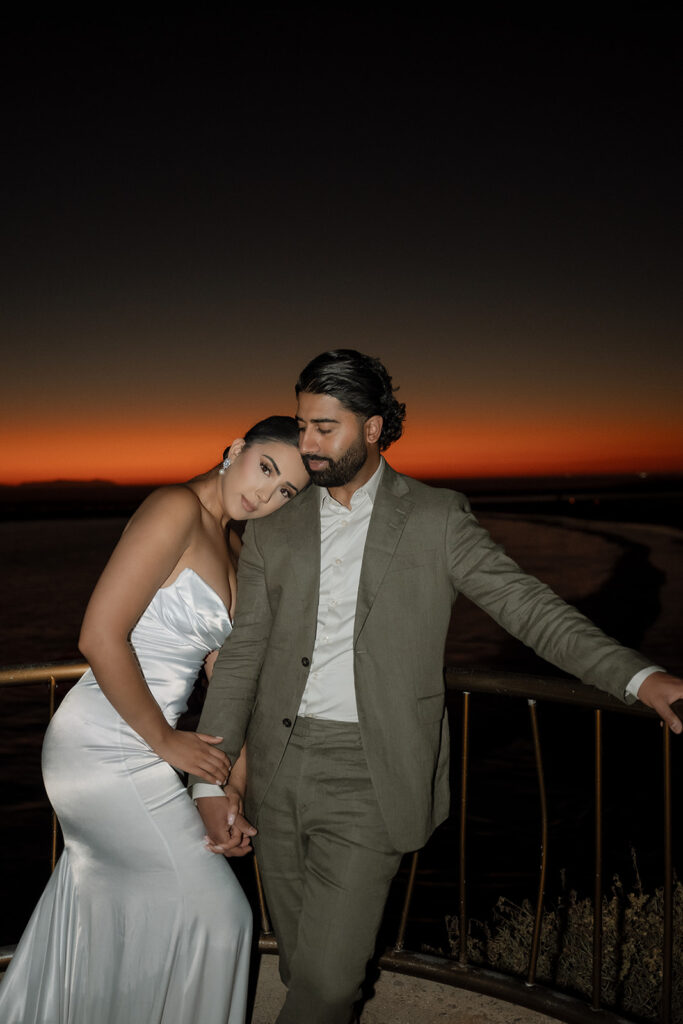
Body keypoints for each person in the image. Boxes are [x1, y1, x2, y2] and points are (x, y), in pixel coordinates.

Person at [194, 350, 683, 1024]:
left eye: (323, 428)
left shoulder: (434, 517)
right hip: (275, 769)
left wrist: (638, 676)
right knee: (301, 963)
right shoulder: (274, 522)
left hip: (372, 770)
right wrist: (212, 780)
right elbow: (243, 652)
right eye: (302, 426)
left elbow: (527, 607)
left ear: (371, 429)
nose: (305, 445)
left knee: (332, 981)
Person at [0, 416, 310, 1024]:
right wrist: (167, 740)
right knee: (224, 914)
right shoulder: (173, 507)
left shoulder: (238, 549)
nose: (265, 495)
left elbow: (231, 689)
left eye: (285, 493)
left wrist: (229, 793)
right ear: (237, 448)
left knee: (116, 899)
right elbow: (98, 635)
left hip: (148, 747)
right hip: (102, 741)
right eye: (266, 469)